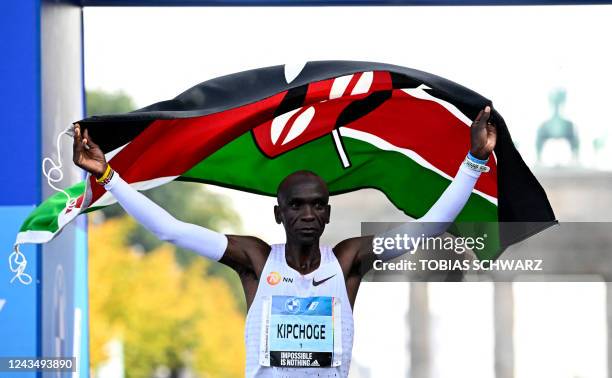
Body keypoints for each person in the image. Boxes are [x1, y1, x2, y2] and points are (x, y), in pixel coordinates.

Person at [73, 105, 497, 377]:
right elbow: (171, 229)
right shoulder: (255, 259)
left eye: (317, 206)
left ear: (329, 213)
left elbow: (429, 227)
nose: (308, 214)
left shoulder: (349, 259)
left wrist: (475, 159)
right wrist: (108, 176)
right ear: (279, 214)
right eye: (296, 206)